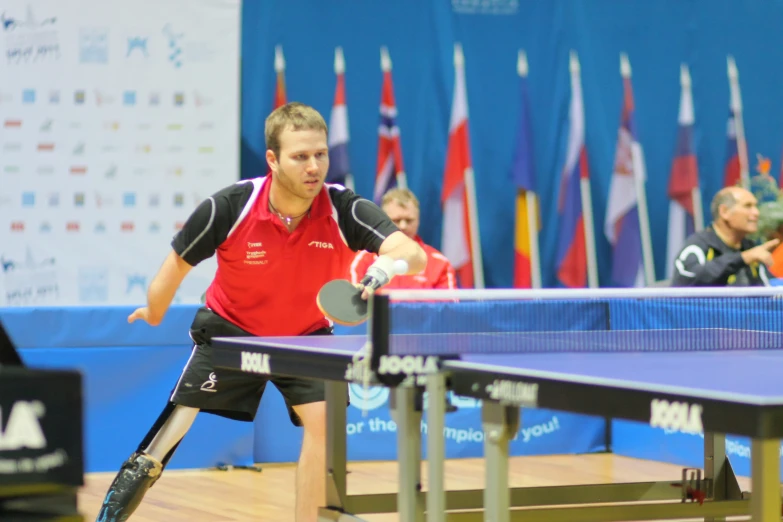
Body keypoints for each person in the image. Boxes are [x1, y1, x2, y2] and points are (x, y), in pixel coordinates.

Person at [96, 102, 427, 522]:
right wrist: (155, 310)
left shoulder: (344, 208)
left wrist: (384, 266)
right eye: (300, 156)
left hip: (303, 338)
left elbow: (411, 253)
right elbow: (175, 265)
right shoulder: (230, 206)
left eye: (320, 154)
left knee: (326, 429)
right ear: (272, 159)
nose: (314, 167)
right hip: (231, 332)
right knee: (168, 435)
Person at [349, 188, 456, 291]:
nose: (403, 226)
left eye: (409, 220)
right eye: (396, 220)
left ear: (418, 221)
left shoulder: (440, 264)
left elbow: (449, 308)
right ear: (383, 222)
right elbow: (351, 303)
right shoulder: (362, 260)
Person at [671, 186, 777, 286]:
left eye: (756, 206)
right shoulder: (698, 245)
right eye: (748, 206)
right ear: (724, 212)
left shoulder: (750, 248)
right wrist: (743, 258)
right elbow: (685, 280)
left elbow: (770, 288)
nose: (756, 212)